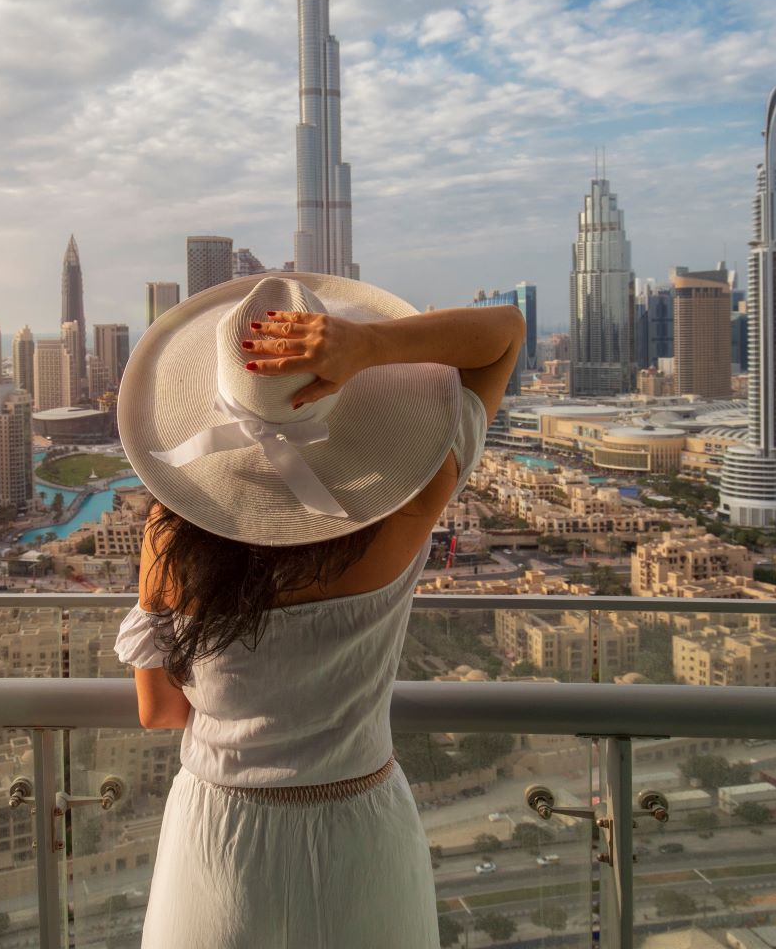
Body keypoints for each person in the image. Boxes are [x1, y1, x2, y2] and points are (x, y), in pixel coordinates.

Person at [114, 272, 523, 947]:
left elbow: (159, 712)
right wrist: (367, 345)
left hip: (218, 840)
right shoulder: (409, 505)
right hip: (359, 830)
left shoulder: (170, 534)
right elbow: (502, 333)